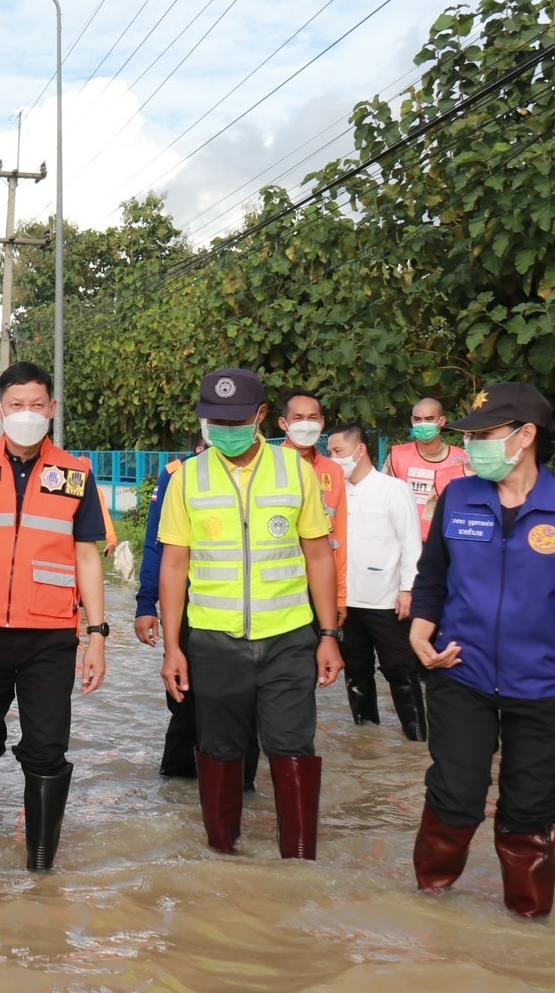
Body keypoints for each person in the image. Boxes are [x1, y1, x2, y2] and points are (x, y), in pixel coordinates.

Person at [408, 384, 555, 918]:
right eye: (468, 436)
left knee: (531, 811)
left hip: (546, 688)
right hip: (460, 676)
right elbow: (432, 578)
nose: (471, 447)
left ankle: (528, 926)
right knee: (454, 794)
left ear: (526, 435)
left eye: (483, 435)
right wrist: (420, 631)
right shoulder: (458, 497)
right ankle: (430, 914)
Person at [159, 368, 342, 860]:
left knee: (292, 747)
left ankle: (299, 861)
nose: (225, 428)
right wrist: (173, 648)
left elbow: (319, 554)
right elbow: (175, 565)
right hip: (214, 642)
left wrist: (328, 634)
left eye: (236, 418)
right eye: (214, 419)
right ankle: (222, 857)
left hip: (288, 638)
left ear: (261, 416)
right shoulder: (187, 478)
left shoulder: (295, 470)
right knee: (218, 749)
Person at [0, 362, 107, 872]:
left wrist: (96, 635)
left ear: (51, 409)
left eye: (37, 406)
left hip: (50, 634)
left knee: (47, 748)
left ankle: (40, 863)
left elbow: (87, 556)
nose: (27, 414)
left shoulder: (75, 473)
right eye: (16, 406)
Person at [135, 438, 261, 789]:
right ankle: (176, 790)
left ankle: (240, 789)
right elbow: (158, 546)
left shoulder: (265, 473)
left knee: (245, 705)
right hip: (191, 607)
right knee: (186, 702)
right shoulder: (179, 475)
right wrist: (146, 605)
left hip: (252, 610)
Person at [326, 423, 426, 739]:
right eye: (329, 452)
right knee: (356, 672)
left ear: (360, 450)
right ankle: (366, 738)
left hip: (386, 600)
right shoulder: (333, 492)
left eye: (337, 451)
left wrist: (407, 589)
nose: (332, 458)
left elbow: (412, 543)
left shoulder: (392, 489)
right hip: (346, 601)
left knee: (401, 670)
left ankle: (416, 739)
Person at [277, 392, 348, 623]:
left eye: (312, 417)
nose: (306, 424)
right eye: (298, 418)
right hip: (280, 587)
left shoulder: (333, 470)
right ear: (283, 423)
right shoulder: (269, 466)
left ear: (322, 422)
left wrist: (339, 596)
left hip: (321, 585)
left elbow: (340, 537)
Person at [387, 398, 470, 542]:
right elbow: (384, 499)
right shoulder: (397, 457)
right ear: (412, 421)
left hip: (447, 541)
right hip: (404, 540)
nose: (423, 424)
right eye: (418, 419)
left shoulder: (461, 458)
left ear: (442, 421)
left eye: (429, 418)